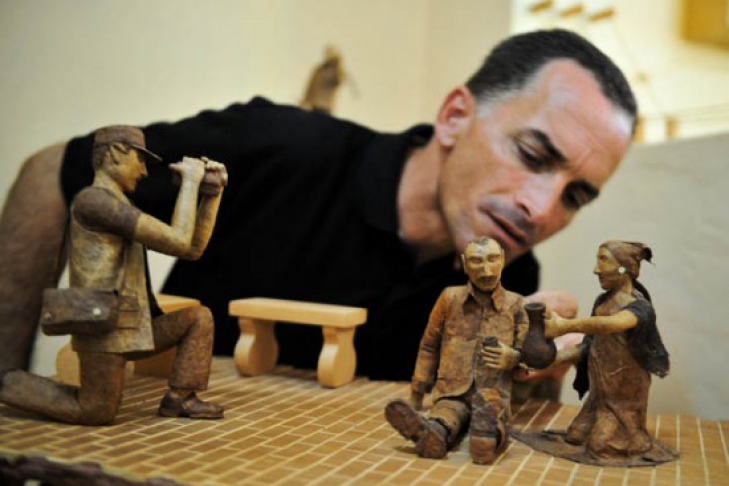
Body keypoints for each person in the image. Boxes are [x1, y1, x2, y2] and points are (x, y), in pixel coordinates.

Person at [0, 29, 637, 383]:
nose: (541, 210)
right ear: (453, 116)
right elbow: (50, 173)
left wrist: (539, 373)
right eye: (532, 153)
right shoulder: (281, 147)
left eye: (576, 196)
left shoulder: (510, 274)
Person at [0, 126, 225, 424]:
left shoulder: (121, 205)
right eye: (140, 159)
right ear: (117, 152)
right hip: (105, 329)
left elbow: (191, 249)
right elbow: (179, 241)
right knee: (94, 410)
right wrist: (190, 182)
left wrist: (211, 195)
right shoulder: (94, 202)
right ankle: (5, 382)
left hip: (134, 325)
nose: (144, 171)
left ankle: (180, 398)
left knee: (198, 318)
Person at [532, 240, 677, 465]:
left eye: (603, 261)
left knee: (602, 446)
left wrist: (565, 326)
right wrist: (554, 357)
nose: (596, 269)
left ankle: (635, 437)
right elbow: (589, 345)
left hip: (623, 395)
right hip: (601, 392)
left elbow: (613, 324)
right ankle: (604, 422)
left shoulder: (639, 307)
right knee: (575, 435)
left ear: (624, 268)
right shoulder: (602, 302)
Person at [385, 237, 528, 464]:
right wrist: (417, 394)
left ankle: (485, 438)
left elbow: (528, 353)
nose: (486, 270)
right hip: (451, 391)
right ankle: (433, 435)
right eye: (476, 261)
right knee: (445, 415)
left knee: (491, 415)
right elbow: (429, 346)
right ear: (464, 264)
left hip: (492, 393)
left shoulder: (516, 304)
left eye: (492, 259)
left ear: (502, 259)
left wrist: (514, 358)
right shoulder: (449, 298)